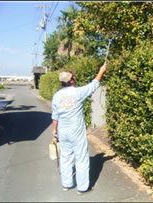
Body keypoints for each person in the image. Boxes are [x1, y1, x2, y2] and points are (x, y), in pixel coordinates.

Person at [51, 63, 107, 194]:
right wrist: (101, 70)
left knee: (65, 157)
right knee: (81, 158)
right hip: (76, 131)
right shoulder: (78, 92)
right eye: (73, 77)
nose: (75, 78)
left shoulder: (57, 96)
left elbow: (55, 116)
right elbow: (94, 84)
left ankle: (67, 184)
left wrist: (54, 130)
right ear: (71, 80)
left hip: (63, 131)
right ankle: (82, 188)